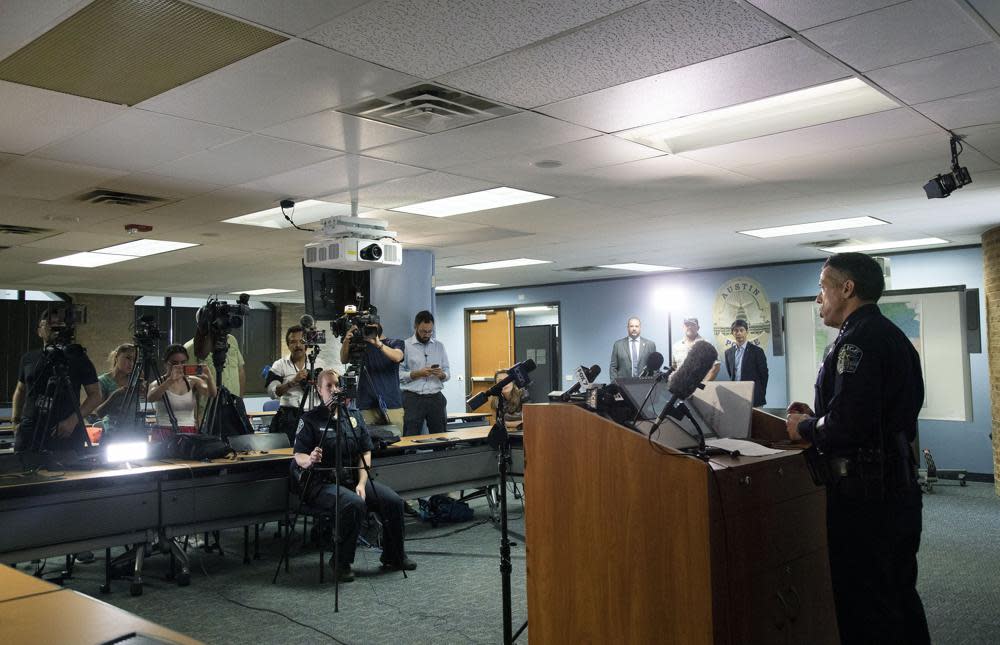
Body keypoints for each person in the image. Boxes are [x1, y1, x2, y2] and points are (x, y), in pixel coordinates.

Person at [785, 252, 929, 645]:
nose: (818, 298)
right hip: (891, 489)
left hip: (865, 498)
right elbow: (871, 415)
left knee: (865, 606)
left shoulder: (857, 342)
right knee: (897, 596)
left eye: (822, 287)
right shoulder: (888, 335)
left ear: (847, 288)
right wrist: (819, 418)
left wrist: (807, 427)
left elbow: (850, 424)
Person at [292, 369, 415, 582]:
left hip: (351, 480)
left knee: (394, 501)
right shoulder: (311, 419)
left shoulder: (354, 417)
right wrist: (310, 459)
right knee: (353, 504)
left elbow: (365, 451)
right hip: (321, 483)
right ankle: (341, 562)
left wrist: (362, 482)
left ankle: (393, 556)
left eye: (336, 385)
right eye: (328, 386)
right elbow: (298, 456)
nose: (333, 389)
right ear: (319, 391)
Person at [11, 308, 101, 454]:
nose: (54, 328)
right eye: (49, 324)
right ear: (39, 331)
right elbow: (20, 390)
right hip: (30, 429)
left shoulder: (78, 358)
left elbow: (95, 395)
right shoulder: (29, 358)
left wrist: (72, 421)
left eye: (58, 325)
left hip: (64, 430)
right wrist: (16, 421)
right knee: (23, 471)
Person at [267, 325, 327, 442]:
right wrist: (292, 382)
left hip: (315, 414)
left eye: (301, 341)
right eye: (293, 342)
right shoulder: (279, 365)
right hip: (290, 417)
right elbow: (272, 392)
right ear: (288, 345)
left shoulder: (320, 364)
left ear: (307, 343)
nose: (298, 345)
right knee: (290, 451)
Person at [339, 322, 405, 428]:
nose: (369, 327)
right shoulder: (361, 345)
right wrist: (346, 341)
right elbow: (344, 359)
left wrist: (378, 344)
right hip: (366, 404)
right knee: (367, 442)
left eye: (371, 324)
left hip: (391, 404)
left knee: (396, 441)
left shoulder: (395, 342)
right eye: (366, 325)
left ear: (379, 324)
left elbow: (397, 357)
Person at [147, 344, 216, 441]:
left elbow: (212, 394)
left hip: (188, 430)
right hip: (164, 430)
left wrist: (209, 377)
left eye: (183, 362)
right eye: (175, 363)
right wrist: (170, 380)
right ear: (166, 364)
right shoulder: (158, 383)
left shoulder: (193, 381)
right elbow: (151, 398)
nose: (179, 366)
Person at [399, 310, 450, 436]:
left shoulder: (439, 346)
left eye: (430, 331)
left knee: (441, 437)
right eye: (423, 331)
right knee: (410, 436)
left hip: (435, 397)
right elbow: (398, 375)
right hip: (413, 398)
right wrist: (418, 373)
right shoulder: (404, 346)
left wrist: (442, 375)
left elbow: (447, 371)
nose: (427, 334)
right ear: (415, 327)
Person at [723, 319, 768, 407]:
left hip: (754, 395)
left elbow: (764, 375)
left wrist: (760, 392)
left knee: (756, 420)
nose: (739, 333)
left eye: (741, 330)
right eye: (736, 330)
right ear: (732, 333)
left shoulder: (757, 351)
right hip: (737, 395)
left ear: (746, 332)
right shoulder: (728, 352)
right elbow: (731, 373)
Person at [93, 343, 138, 422]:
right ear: (117, 357)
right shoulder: (103, 381)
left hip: (135, 429)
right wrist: (115, 395)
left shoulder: (136, 379)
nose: (131, 363)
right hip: (113, 429)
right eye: (128, 358)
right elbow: (99, 413)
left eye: (134, 360)